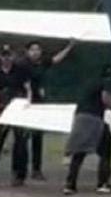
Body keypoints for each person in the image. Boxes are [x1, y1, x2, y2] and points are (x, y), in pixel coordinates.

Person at [63, 65, 111, 195]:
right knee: (106, 152)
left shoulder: (88, 84)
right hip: (94, 119)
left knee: (78, 154)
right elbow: (106, 99)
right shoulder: (103, 84)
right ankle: (102, 184)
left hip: (80, 119)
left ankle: (70, 185)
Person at [23, 39, 75, 180]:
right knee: (22, 137)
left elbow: (56, 59)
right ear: (27, 52)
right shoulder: (23, 65)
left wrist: (69, 47)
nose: (35, 52)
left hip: (39, 103)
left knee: (37, 137)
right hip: (24, 103)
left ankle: (36, 169)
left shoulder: (42, 63)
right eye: (32, 49)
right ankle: (20, 170)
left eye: (38, 49)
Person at [0, 45, 30, 187]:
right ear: (0, 57)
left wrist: (27, 104)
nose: (6, 58)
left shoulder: (20, 70)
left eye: (9, 55)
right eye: (4, 56)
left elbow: (27, 88)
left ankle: (19, 174)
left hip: (17, 107)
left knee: (20, 143)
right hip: (1, 108)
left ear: (13, 56)